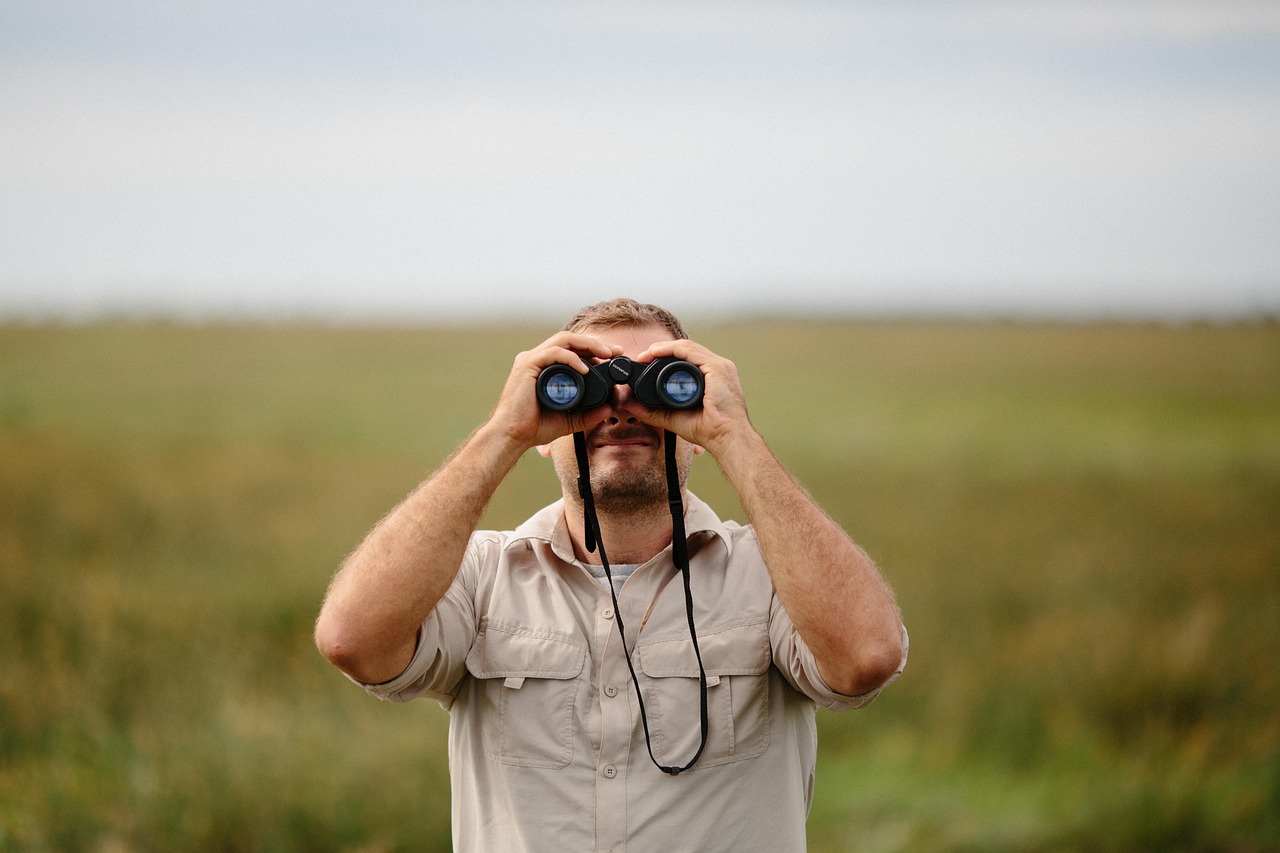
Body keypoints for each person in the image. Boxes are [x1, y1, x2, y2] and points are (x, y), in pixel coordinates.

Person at [314, 298, 907, 852]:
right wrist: (504, 433)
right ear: (548, 428)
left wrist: (735, 435)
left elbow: (865, 660)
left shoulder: (771, 575)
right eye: (588, 382)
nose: (621, 408)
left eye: (660, 383)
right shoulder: (481, 576)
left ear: (694, 424)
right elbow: (353, 640)